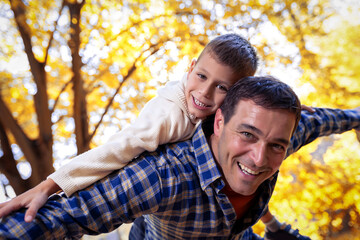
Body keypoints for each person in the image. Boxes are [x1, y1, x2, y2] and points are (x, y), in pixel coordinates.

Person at [0, 33, 307, 239]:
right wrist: (50, 184)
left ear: (237, 95)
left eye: (222, 87)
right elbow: (116, 150)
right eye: (201, 77)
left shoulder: (250, 125)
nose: (204, 92)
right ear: (190, 69)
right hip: (149, 223)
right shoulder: (168, 118)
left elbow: (311, 123)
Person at [0, 76, 359, 240]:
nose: (260, 158)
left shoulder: (286, 131)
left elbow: (327, 120)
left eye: (277, 145)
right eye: (247, 134)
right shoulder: (165, 175)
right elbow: (71, 215)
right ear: (219, 121)